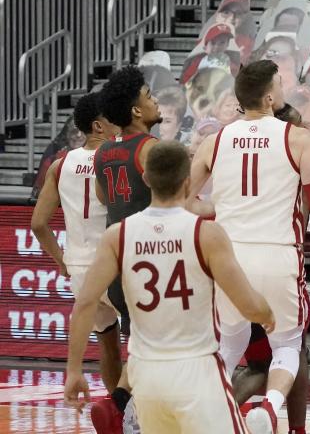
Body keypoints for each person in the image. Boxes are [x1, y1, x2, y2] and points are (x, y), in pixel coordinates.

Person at [64, 141, 275, 433]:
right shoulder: (207, 233)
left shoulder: (117, 235)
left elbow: (85, 303)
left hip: (147, 376)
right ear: (188, 180)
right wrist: (267, 313)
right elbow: (249, 305)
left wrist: (74, 369)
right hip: (196, 371)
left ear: (146, 179)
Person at [188, 59, 310, 434]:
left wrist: (220, 208)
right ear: (270, 97)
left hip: (229, 256)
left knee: (230, 344)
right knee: (287, 344)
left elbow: (183, 201)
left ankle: (202, 412)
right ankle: (269, 408)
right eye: (280, 84)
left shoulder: (214, 140)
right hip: (277, 253)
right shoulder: (297, 137)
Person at [31, 94, 123, 396]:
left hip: (81, 269)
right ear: (98, 126)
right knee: (144, 343)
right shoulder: (116, 157)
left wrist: (61, 261)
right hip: (114, 265)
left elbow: (38, 223)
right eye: (111, 118)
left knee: (107, 343)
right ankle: (136, 408)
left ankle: (118, 413)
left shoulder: (61, 164)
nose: (117, 123)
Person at [91, 65, 162, 432]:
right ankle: (122, 406)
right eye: (149, 96)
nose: (155, 101)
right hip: (150, 261)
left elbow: (104, 197)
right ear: (136, 111)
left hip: (116, 266)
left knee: (141, 345)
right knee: (167, 348)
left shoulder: (102, 154)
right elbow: (176, 198)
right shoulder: (150, 148)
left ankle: (126, 411)